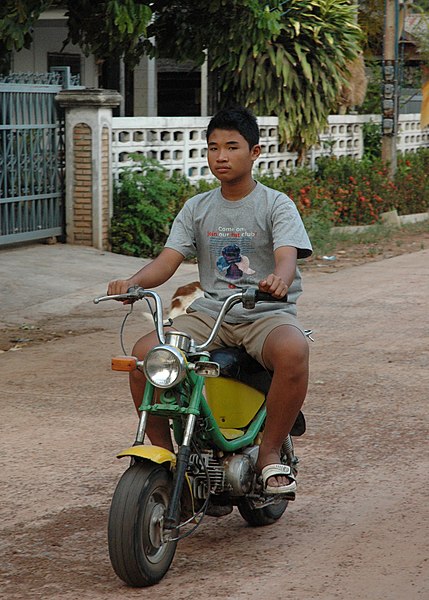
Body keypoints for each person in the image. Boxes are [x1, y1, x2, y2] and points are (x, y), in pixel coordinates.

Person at [107, 106, 312, 496]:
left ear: (254, 153)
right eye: (213, 147)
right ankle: (165, 459)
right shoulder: (198, 207)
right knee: (143, 357)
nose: (221, 155)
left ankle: (269, 453)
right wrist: (133, 283)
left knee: (294, 350)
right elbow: (168, 261)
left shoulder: (276, 204)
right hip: (210, 314)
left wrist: (279, 281)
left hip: (263, 312)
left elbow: (287, 256)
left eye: (232, 147)